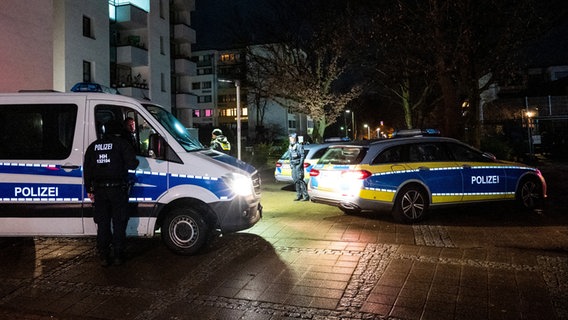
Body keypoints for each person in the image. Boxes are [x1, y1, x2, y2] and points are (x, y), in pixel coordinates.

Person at [84, 120, 139, 266]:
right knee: (119, 223)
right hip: (117, 190)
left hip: (99, 191)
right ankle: (118, 255)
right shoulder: (121, 144)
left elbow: (87, 170)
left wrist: (89, 189)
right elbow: (132, 164)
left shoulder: (93, 146)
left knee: (103, 224)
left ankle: (103, 256)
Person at [289, 133, 309, 201]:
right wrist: (290, 164)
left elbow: (302, 156)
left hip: (298, 165)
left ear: (295, 139)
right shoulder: (290, 146)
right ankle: (299, 195)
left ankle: (305, 196)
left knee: (300, 180)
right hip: (293, 165)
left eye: (292, 138)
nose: (291, 139)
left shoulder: (299, 146)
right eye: (290, 138)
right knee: (295, 181)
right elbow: (290, 156)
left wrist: (300, 165)